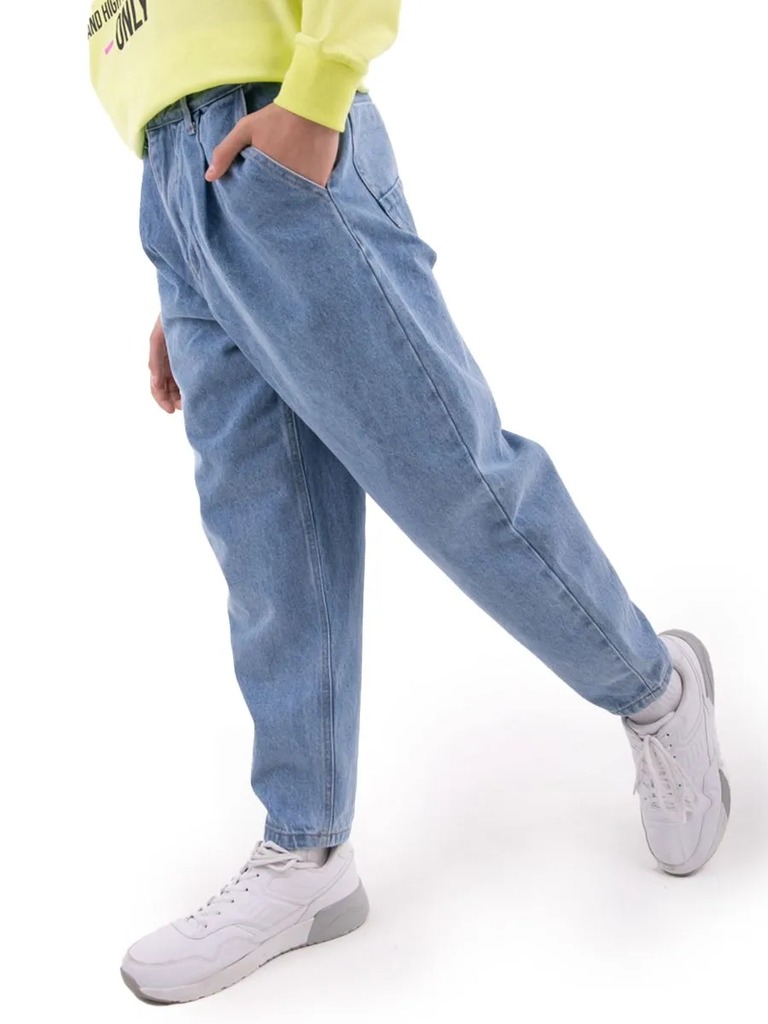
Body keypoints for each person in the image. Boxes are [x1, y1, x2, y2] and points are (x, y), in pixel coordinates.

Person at [87, 0, 730, 1006]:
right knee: (267, 542)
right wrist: (195, 269)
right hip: (174, 179)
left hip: (274, 128)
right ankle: (306, 852)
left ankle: (657, 689)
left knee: (450, 480)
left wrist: (318, 92)